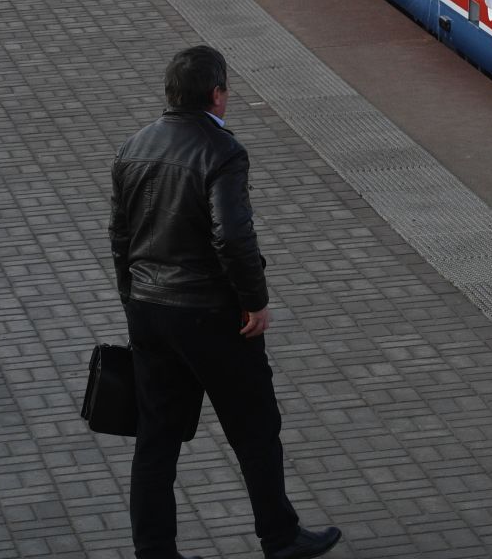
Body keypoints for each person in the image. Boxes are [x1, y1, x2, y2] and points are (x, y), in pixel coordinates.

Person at [110, 45, 341, 559]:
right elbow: (233, 238)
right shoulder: (222, 152)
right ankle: (279, 537)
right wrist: (255, 301)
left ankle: (154, 551)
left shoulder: (133, 146)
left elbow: (120, 237)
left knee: (157, 439)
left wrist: (134, 301)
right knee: (254, 428)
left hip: (150, 309)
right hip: (211, 315)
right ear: (216, 95)